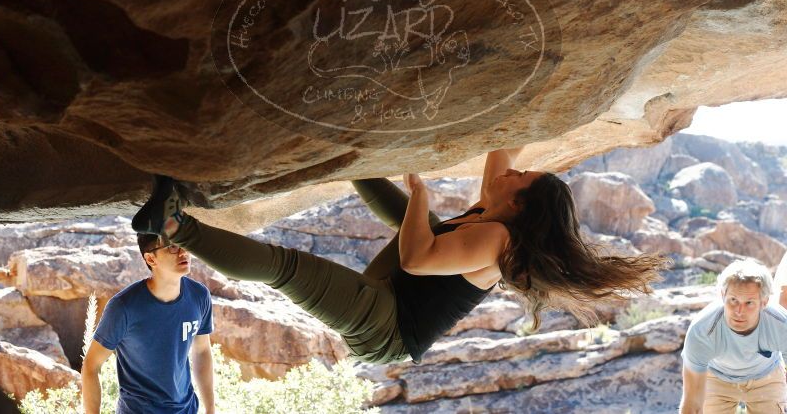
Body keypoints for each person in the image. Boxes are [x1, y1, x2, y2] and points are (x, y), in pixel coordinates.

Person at [132, 148, 666, 365]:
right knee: (426, 223)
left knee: (287, 267)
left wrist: (421, 193)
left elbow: (415, 259)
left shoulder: (498, 242)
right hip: (391, 298)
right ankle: (346, 157)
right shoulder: (493, 209)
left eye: (524, 176)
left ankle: (173, 224)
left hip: (387, 331)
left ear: (520, 203)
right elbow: (501, 149)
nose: (515, 171)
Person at [81, 233, 215, 414]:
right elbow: (91, 366)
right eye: (172, 247)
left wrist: (210, 409)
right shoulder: (124, 307)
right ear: (151, 259)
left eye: (184, 243)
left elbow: (202, 351)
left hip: (187, 409)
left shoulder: (199, 295)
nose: (183, 252)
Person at [680, 259, 787, 414]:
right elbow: (692, 404)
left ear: (764, 302)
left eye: (749, 303)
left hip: (766, 376)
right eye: (733, 300)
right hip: (717, 377)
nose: (739, 311)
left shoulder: (781, 325)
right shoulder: (703, 331)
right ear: (722, 295)